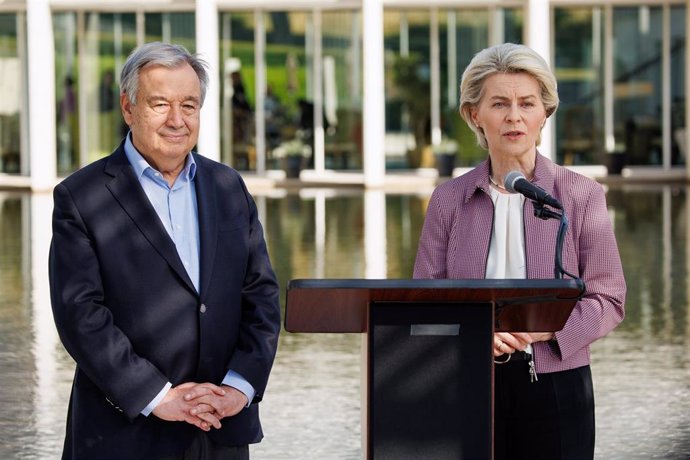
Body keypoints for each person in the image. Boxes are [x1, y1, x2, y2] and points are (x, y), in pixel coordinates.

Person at [49, 42, 281, 460]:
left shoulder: (229, 188)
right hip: (124, 435)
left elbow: (261, 297)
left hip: (219, 428)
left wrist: (237, 388)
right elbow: (80, 316)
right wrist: (158, 397)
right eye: (160, 104)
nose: (177, 120)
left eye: (189, 105)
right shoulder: (81, 197)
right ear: (128, 107)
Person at [413, 43, 626, 460]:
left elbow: (609, 299)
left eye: (527, 103)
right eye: (499, 103)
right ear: (475, 114)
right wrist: (474, 335)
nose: (514, 115)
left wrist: (545, 327)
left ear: (544, 113)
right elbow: (424, 299)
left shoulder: (582, 195)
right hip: (465, 382)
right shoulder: (448, 199)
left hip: (559, 386)